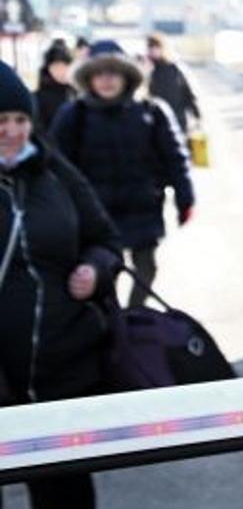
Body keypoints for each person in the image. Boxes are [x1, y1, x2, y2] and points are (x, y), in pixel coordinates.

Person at [0, 61, 122, 509]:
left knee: (66, 494)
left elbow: (106, 240)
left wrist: (95, 269)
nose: (13, 132)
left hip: (62, 371)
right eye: (1, 122)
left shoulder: (55, 173)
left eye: (20, 120)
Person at [49, 39, 195, 310]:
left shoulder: (152, 112)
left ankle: (133, 315)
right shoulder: (74, 115)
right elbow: (56, 167)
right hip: (95, 217)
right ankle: (110, 321)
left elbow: (176, 158)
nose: (106, 80)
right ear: (89, 78)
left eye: (113, 73)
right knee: (104, 275)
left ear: (126, 76)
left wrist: (186, 199)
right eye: (99, 73)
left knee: (146, 270)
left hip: (144, 210)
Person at [144, 33, 201, 130]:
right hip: (156, 121)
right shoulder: (146, 69)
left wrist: (196, 113)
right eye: (150, 47)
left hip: (177, 119)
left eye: (156, 47)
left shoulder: (174, 68)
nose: (153, 50)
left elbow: (188, 92)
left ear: (163, 48)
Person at [32, 44, 76, 134]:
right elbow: (39, 132)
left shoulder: (78, 92)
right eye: (56, 66)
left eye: (65, 66)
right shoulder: (38, 98)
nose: (61, 71)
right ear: (48, 69)